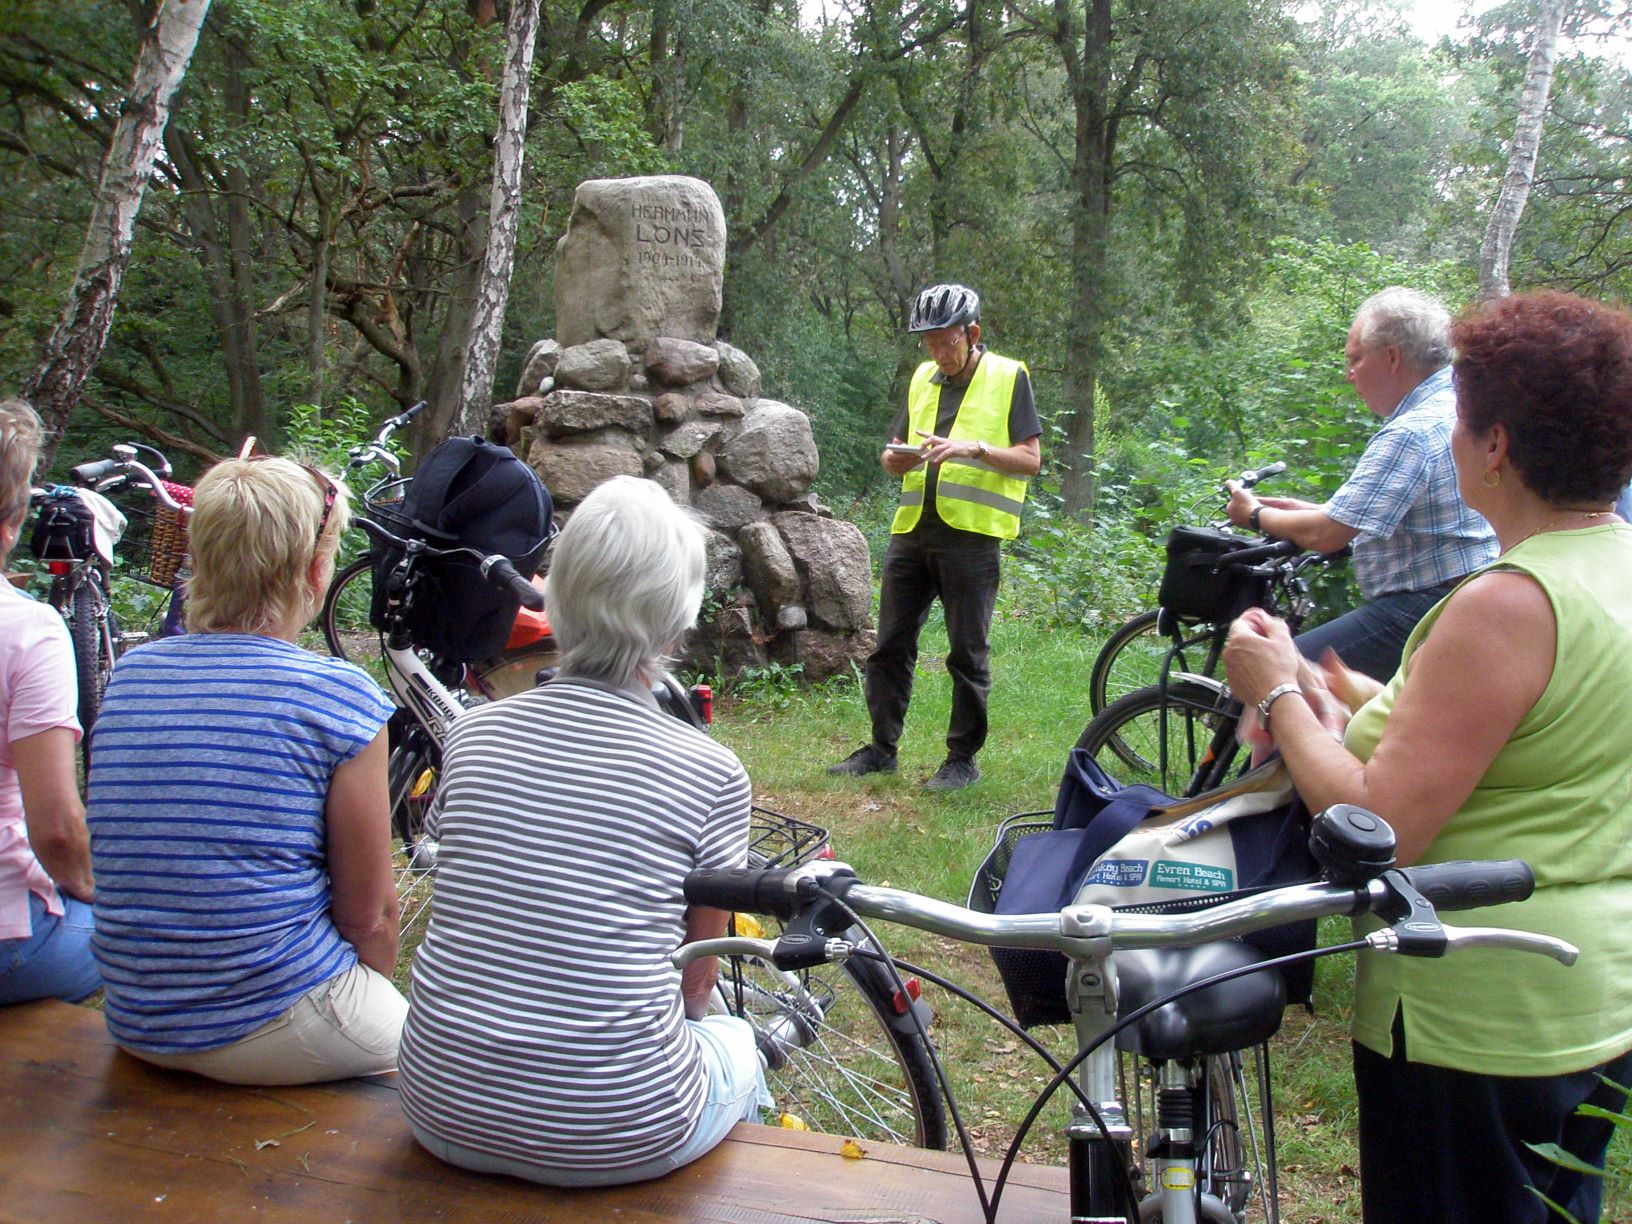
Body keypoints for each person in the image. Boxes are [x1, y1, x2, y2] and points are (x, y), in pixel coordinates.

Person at [1223, 289, 1632, 1224]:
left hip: (1477, 1019)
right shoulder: (1615, 566)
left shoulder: (1507, 603)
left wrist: (1278, 693)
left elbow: (1382, 826)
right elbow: (1534, 731)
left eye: (1464, 422)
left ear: (1495, 447)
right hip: (1593, 1000)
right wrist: (1353, 699)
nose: (1452, 440)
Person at [396, 476, 768, 1187]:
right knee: (735, 1041)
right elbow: (696, 983)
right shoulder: (711, 772)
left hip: (439, 1106)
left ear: (552, 594)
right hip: (618, 1135)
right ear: (679, 616)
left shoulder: (471, 737)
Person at [86, 455, 403, 1084]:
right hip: (273, 1021)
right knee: (447, 1068)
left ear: (199, 561)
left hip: (139, 1020)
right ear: (315, 571)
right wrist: (369, 996)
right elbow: (371, 917)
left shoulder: (130, 676)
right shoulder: (340, 698)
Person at [828, 283, 1042, 790]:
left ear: (973, 334)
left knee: (967, 653)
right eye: (930, 343)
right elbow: (891, 453)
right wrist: (893, 458)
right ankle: (882, 750)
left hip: (971, 538)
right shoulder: (922, 378)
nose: (939, 353)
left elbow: (1031, 460)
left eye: (947, 342)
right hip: (912, 530)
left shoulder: (1009, 377)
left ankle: (961, 760)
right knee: (889, 646)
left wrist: (974, 449)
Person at [1224, 287, 1498, 681]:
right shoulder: (1456, 404)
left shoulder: (1411, 431)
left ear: (1391, 358)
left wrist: (1254, 514)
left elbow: (1327, 535)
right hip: (1468, 596)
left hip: (1425, 605)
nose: (1348, 373)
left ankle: (1301, 743)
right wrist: (1306, 511)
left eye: (1355, 359)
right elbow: (1366, 517)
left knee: (1279, 671)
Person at [0, 399, 99, 1006]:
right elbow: (58, 832)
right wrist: (94, 888)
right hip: (11, 941)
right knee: (132, 929)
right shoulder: (27, 629)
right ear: (11, 521)